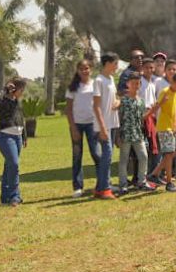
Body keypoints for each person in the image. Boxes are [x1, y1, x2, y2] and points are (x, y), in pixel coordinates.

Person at [65, 60, 112, 198]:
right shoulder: (72, 87)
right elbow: (68, 109)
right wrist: (73, 128)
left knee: (97, 154)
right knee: (77, 156)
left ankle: (103, 183)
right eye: (81, 69)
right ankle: (78, 186)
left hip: (93, 124)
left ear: (91, 69)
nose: (84, 71)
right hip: (77, 124)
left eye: (87, 68)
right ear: (78, 71)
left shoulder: (95, 84)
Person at [116, 75, 158, 193]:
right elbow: (119, 118)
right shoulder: (123, 101)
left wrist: (154, 109)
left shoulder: (140, 101)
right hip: (125, 134)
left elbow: (142, 118)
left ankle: (141, 181)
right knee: (124, 160)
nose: (136, 85)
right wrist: (117, 135)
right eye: (133, 83)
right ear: (128, 84)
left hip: (138, 134)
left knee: (143, 157)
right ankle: (123, 185)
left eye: (138, 83)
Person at [148, 72, 176, 192]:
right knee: (169, 154)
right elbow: (155, 108)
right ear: (173, 82)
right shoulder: (164, 92)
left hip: (173, 128)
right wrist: (161, 103)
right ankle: (169, 182)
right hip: (164, 128)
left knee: (174, 152)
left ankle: (154, 175)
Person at [0, 77, 27, 206]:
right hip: (5, 137)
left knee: (9, 167)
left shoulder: (16, 101)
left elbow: (20, 118)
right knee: (14, 164)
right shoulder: (2, 101)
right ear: (14, 89)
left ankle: (5, 198)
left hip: (17, 137)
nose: (22, 92)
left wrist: (24, 136)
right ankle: (15, 197)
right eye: (21, 89)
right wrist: (5, 88)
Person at [93, 53, 120, 191]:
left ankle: (103, 184)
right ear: (108, 63)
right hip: (103, 125)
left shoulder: (111, 79)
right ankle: (103, 188)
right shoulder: (98, 80)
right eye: (115, 63)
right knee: (107, 155)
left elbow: (114, 98)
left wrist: (118, 102)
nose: (117, 66)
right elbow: (96, 106)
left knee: (108, 155)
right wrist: (102, 128)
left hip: (113, 122)